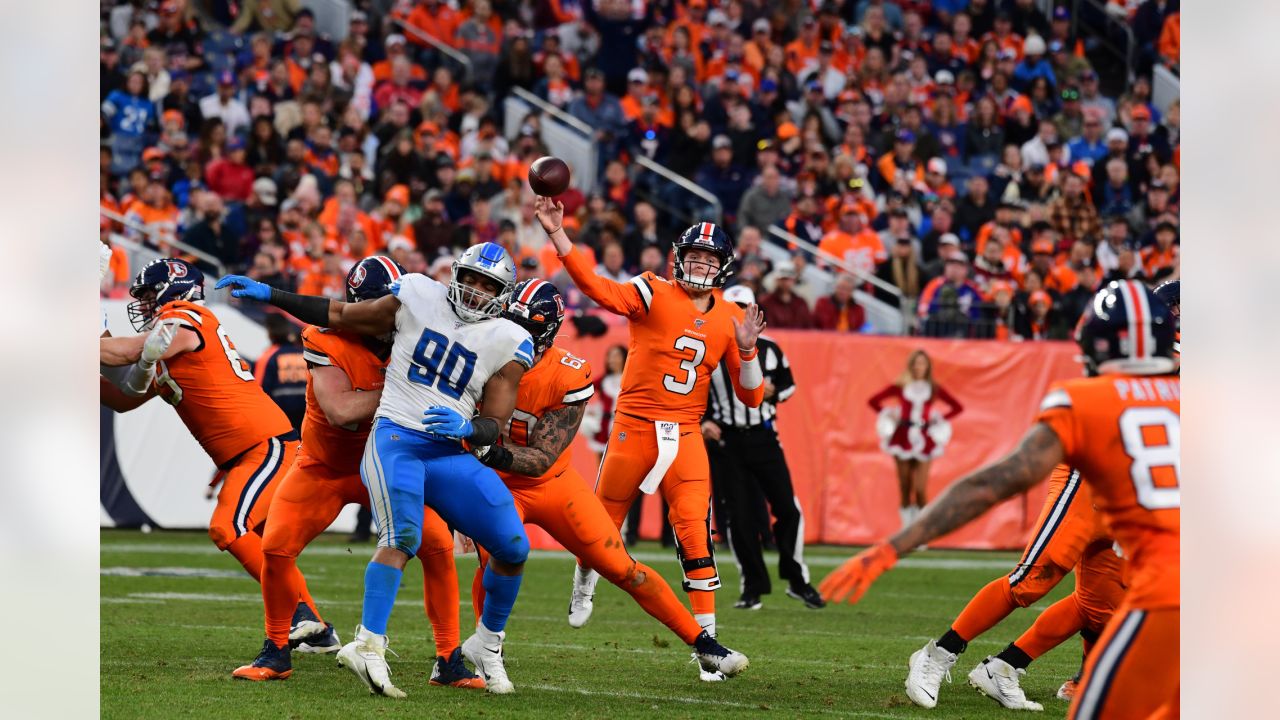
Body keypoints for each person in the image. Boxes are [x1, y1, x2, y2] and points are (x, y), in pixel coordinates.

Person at [821, 280, 1180, 720]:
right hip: (1090, 487)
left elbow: (993, 483)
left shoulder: (1088, 395)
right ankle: (939, 654)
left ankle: (1006, 667)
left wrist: (895, 546)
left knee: (1100, 605)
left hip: (1142, 530)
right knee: (1034, 580)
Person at [216, 242, 537, 697]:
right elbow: (343, 409)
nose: (476, 292)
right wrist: (272, 294)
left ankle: (454, 655)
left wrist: (466, 422)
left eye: (488, 285)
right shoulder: (338, 335)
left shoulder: (488, 335)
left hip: (428, 455)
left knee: (458, 547)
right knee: (277, 546)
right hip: (335, 463)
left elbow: (495, 422)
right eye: (471, 280)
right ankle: (279, 647)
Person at [470, 279, 749, 680]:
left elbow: (541, 458)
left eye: (528, 328)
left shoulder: (568, 372)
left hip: (549, 481)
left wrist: (486, 450)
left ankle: (704, 645)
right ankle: (484, 647)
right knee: (495, 557)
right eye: (512, 323)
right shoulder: (479, 356)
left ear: (547, 332)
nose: (517, 335)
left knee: (623, 567)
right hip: (493, 483)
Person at [534, 197, 766, 654]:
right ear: (679, 258)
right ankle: (584, 581)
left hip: (685, 435)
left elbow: (752, 397)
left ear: (723, 266)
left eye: (709, 258)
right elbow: (597, 288)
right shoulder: (652, 291)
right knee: (600, 528)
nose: (700, 264)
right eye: (694, 255)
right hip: (633, 428)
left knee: (696, 533)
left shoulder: (734, 318)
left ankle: (709, 644)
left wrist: (748, 351)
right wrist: (558, 235)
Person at [100, 259, 319, 625]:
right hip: (252, 452)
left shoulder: (187, 317)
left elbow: (123, 353)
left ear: (174, 289)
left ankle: (299, 617)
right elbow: (124, 396)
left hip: (265, 446)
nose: (146, 304)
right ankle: (314, 628)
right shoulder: (169, 346)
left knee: (227, 527)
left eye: (151, 294)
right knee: (271, 551)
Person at [704, 285, 823, 611]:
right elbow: (692, 390)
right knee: (738, 518)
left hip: (764, 436)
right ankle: (752, 587)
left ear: (755, 311)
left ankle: (797, 579)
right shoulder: (710, 347)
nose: (740, 314)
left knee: (788, 508)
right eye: (734, 307)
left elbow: (789, 385)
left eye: (745, 307)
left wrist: (772, 392)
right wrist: (703, 422)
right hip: (726, 440)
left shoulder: (771, 349)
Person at [867, 350, 963, 528]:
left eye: (923, 363)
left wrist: (938, 418)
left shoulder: (933, 388)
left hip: (924, 438)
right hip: (902, 436)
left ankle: (921, 530)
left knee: (920, 488)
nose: (919, 367)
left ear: (928, 367)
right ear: (911, 366)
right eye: (916, 363)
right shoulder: (901, 386)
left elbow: (957, 407)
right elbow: (873, 401)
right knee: (905, 485)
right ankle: (906, 530)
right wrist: (889, 415)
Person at [255, 314, 308, 432]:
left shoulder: (269, 356)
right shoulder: (304, 353)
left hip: (281, 422)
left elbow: (259, 392)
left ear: (269, 331)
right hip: (308, 419)